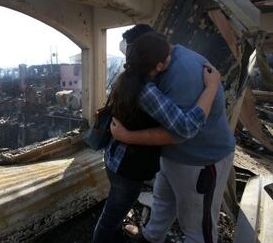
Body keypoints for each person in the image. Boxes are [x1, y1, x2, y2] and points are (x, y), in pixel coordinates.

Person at [92, 32, 221, 243]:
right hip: (127, 169)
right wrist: (212, 86)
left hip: (114, 160)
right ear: (159, 65)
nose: (172, 57)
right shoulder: (147, 92)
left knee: (114, 213)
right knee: (110, 218)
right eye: (168, 55)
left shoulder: (125, 79)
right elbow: (186, 127)